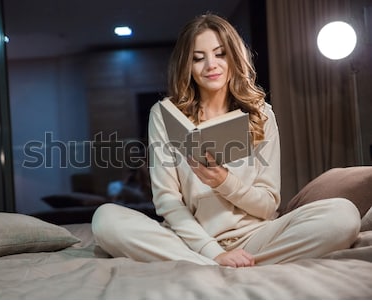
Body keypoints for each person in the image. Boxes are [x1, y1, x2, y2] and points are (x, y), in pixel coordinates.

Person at [91, 13, 360, 267]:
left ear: (233, 56)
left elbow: (268, 206)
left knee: (342, 214)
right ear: (187, 64)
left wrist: (223, 182)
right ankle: (215, 265)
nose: (211, 65)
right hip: (190, 242)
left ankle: (233, 263)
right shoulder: (163, 115)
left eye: (220, 54)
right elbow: (168, 202)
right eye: (198, 58)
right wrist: (214, 253)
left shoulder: (261, 114)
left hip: (256, 236)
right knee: (106, 219)